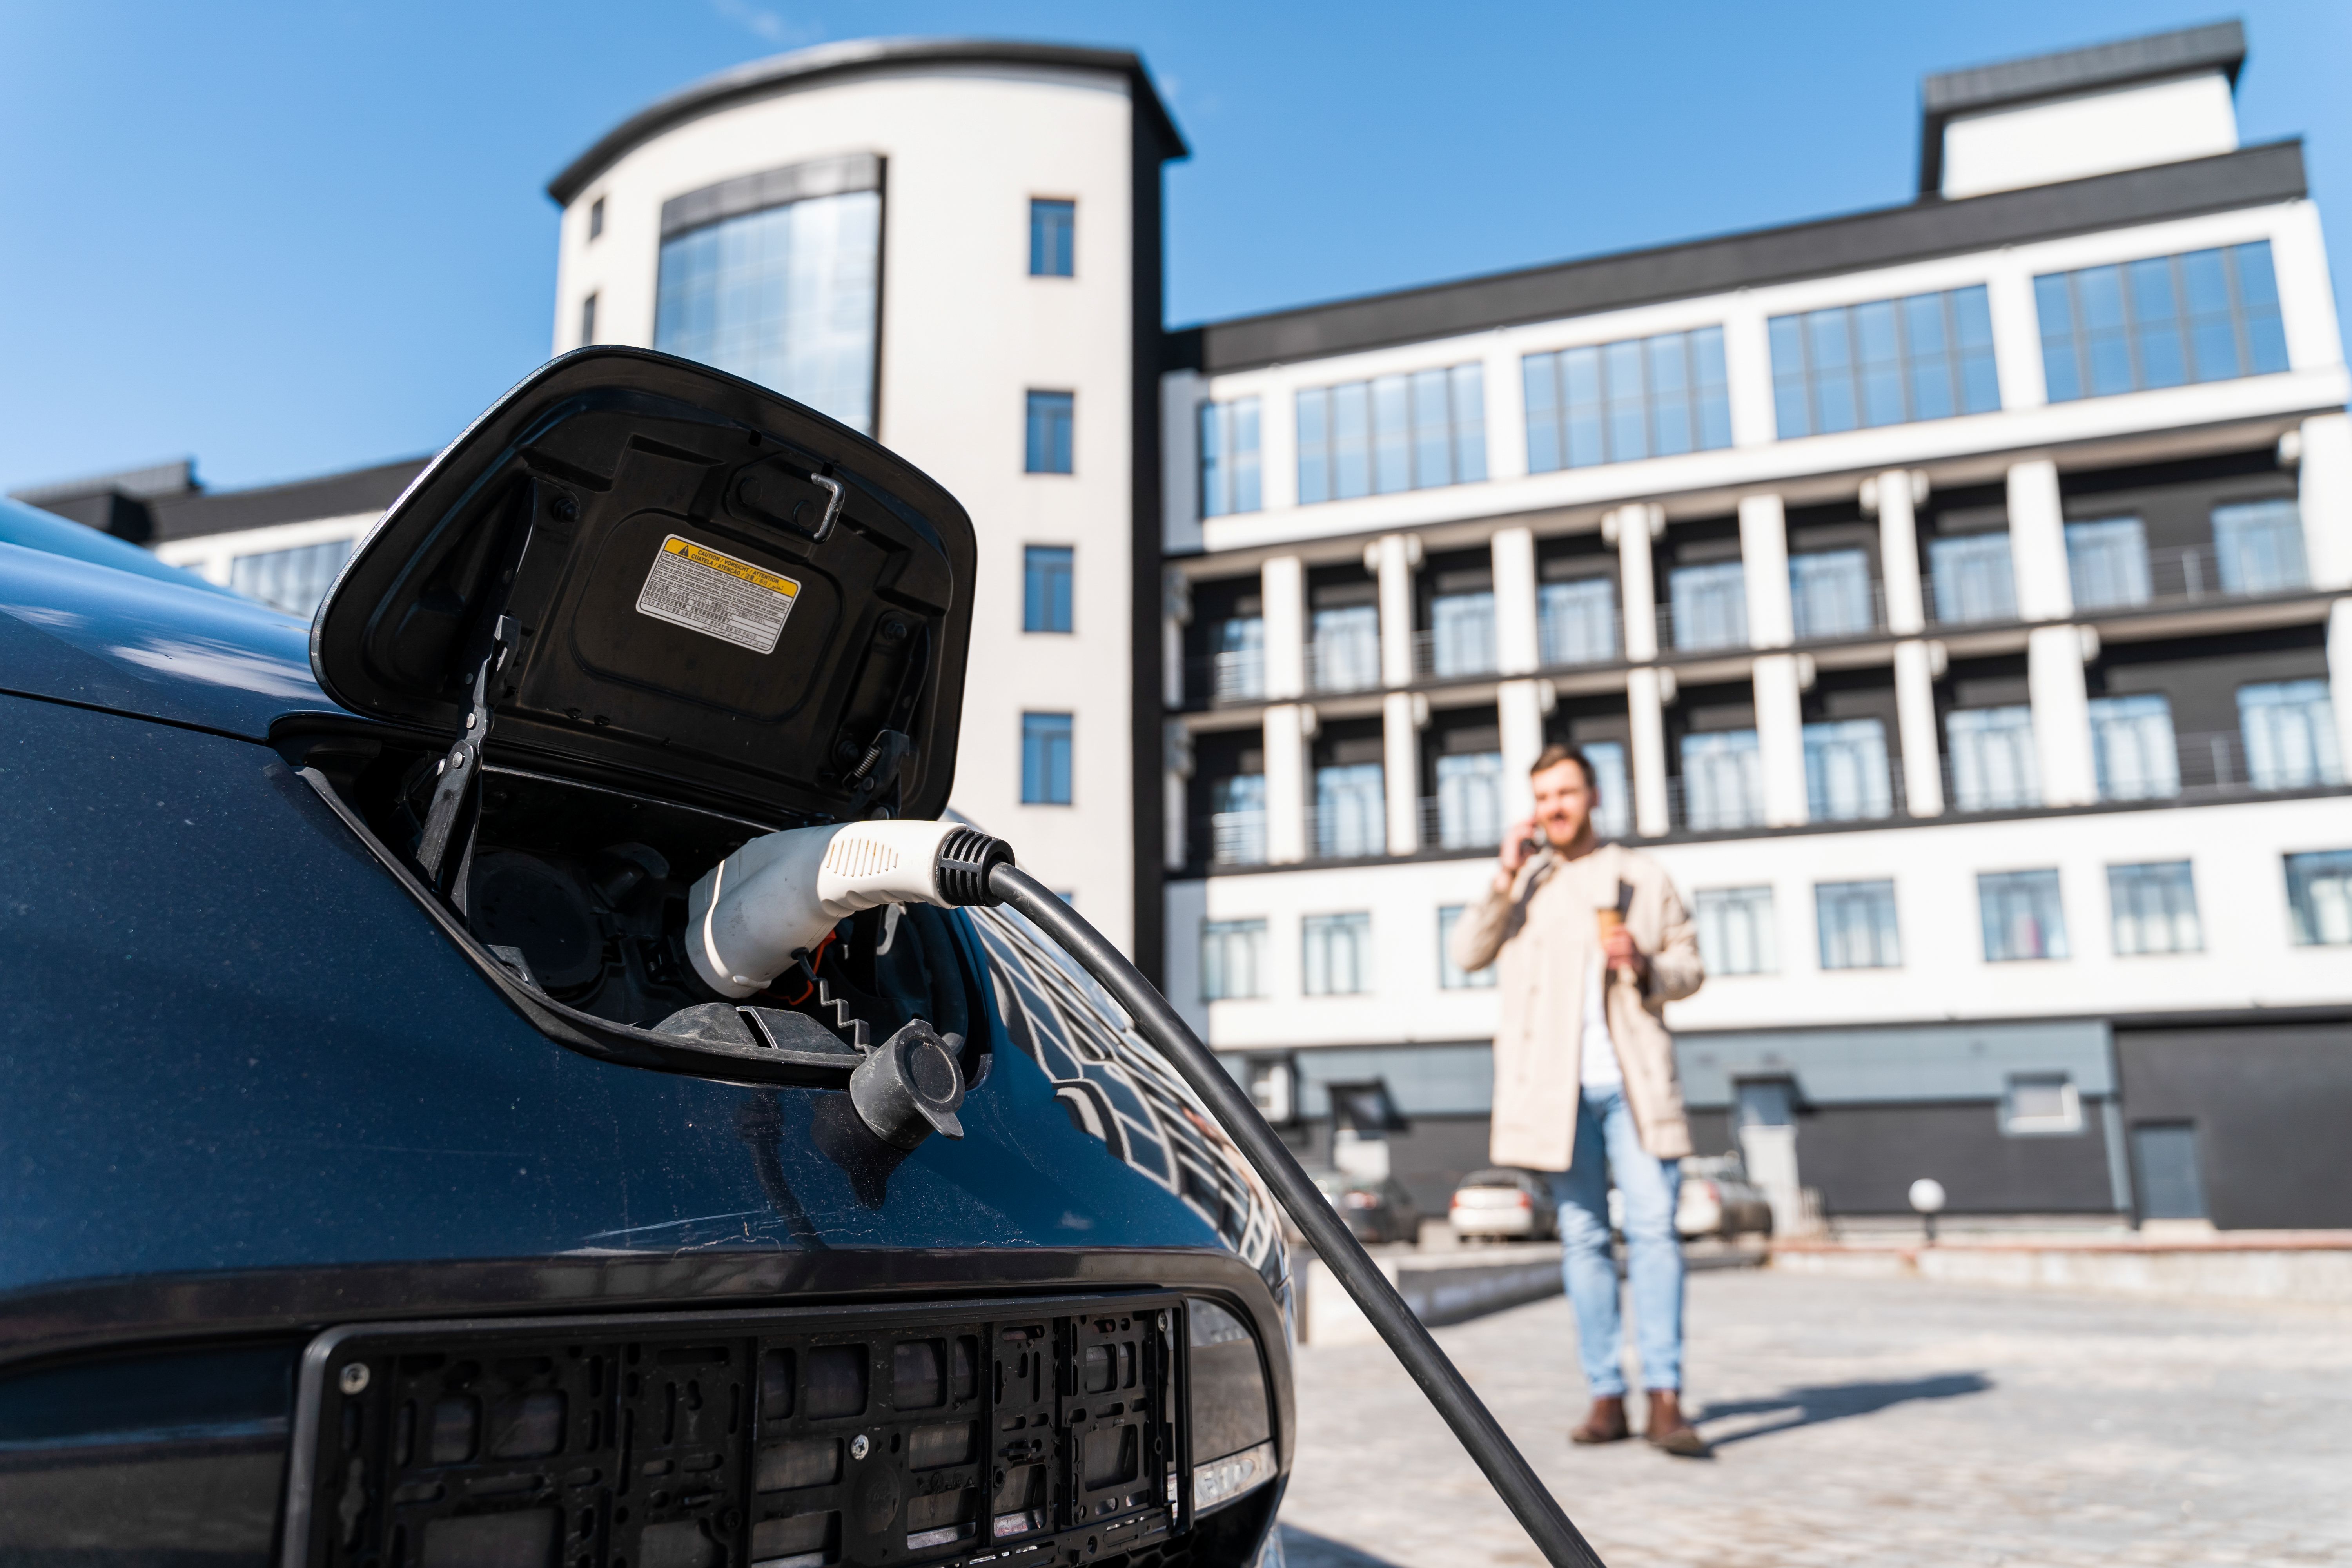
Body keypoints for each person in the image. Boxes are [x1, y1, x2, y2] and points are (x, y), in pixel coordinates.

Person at [1450, 743, 1709, 1456]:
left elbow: (1692, 966)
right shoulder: (1525, 882)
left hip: (1633, 1087)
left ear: (1593, 796)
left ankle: (1665, 1398)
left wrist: (1646, 963)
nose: (1553, 808)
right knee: (1585, 1239)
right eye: (1542, 798)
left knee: (1654, 1231)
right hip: (1555, 1094)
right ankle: (1605, 1396)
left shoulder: (1640, 876)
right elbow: (1467, 952)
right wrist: (1504, 877)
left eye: (1565, 794)